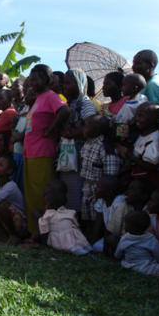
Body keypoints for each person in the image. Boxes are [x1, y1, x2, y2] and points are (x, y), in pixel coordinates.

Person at [23, 64, 70, 234]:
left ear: (46, 80)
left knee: (41, 193)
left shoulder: (50, 96)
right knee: (31, 194)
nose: (31, 83)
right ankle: (33, 232)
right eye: (30, 79)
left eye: (35, 79)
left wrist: (51, 129)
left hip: (42, 152)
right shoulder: (37, 98)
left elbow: (64, 111)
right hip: (30, 152)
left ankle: (42, 233)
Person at [58, 68, 96, 213]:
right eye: (64, 83)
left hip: (80, 154)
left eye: (69, 83)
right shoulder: (68, 104)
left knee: (77, 191)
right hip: (66, 154)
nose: (64, 87)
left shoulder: (85, 103)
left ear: (79, 83)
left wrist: (73, 133)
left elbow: (91, 125)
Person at [79, 115, 119, 231]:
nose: (83, 129)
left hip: (99, 188)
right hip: (87, 185)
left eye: (87, 127)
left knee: (97, 213)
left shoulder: (105, 147)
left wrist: (102, 189)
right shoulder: (87, 143)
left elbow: (111, 174)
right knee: (86, 211)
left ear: (97, 130)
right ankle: (88, 234)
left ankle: (96, 236)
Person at [38, 179, 92, 255]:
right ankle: (78, 248)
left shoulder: (47, 216)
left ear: (47, 203)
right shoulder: (70, 212)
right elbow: (76, 226)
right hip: (73, 239)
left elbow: (44, 231)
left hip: (58, 242)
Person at [0, 155, 27, 244]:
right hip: (9, 216)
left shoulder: (11, 186)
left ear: (9, 171)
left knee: (1, 206)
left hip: (20, 221)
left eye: (0, 165)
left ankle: (14, 235)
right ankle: (1, 233)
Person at [115, 210, 159, 275]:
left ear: (129, 227)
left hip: (128, 265)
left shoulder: (124, 238)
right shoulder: (150, 239)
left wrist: (118, 257)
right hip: (146, 267)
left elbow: (117, 254)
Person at [113, 73, 147, 142]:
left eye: (124, 85)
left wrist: (119, 142)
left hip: (126, 137)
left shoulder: (128, 106)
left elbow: (123, 127)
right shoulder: (143, 97)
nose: (122, 88)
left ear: (135, 88)